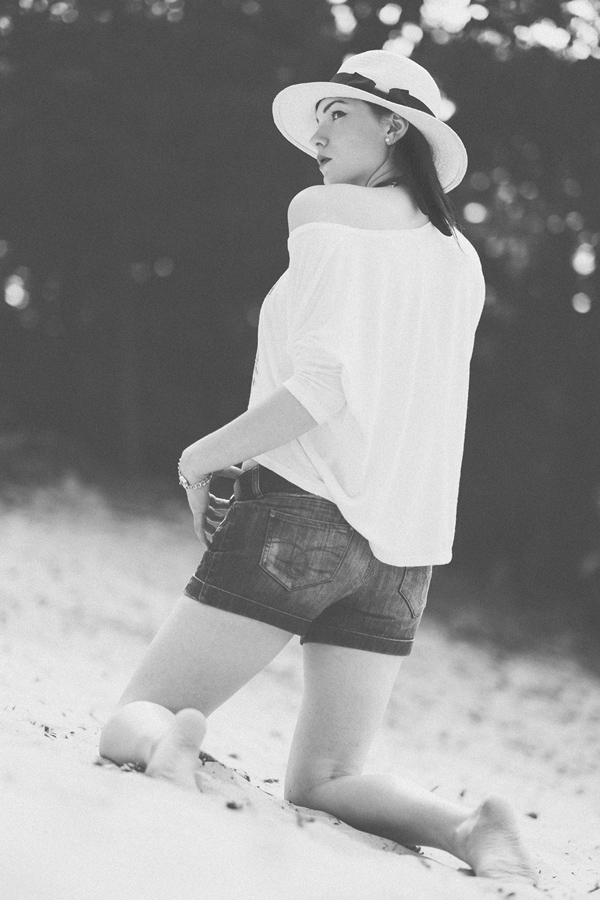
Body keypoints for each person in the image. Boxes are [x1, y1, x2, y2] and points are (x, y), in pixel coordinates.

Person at [99, 50, 536, 883]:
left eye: (339, 113)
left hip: (301, 516)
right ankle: (468, 827)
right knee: (328, 777)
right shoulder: (461, 261)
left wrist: (200, 460)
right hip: (403, 554)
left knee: (137, 712)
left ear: (394, 126)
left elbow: (325, 386)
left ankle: (167, 748)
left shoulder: (324, 210)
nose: (318, 134)